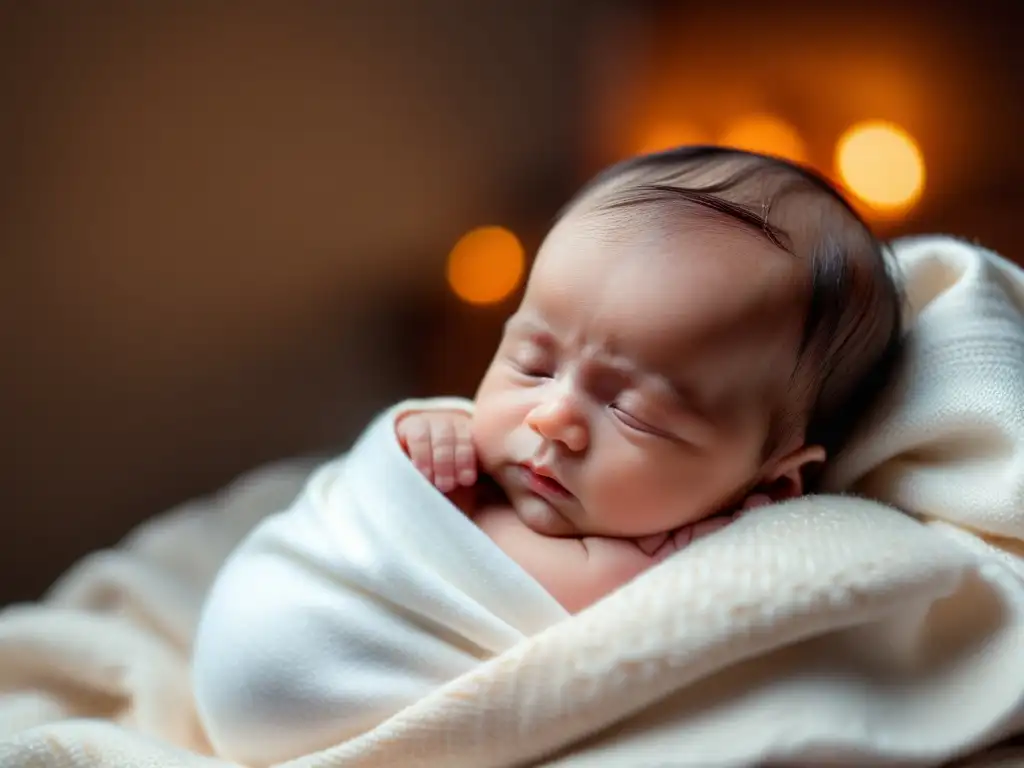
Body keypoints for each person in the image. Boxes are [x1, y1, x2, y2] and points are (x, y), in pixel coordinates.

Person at [395, 146, 903, 612]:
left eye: (633, 414)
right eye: (534, 367)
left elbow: (481, 565)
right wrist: (427, 432)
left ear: (774, 484)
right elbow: (386, 496)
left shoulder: (662, 577)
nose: (550, 419)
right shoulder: (484, 452)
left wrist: (451, 507)